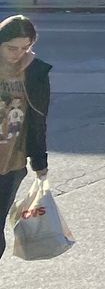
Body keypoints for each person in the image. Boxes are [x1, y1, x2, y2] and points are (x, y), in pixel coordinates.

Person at [1, 14, 52, 258]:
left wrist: (40, 162)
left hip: (11, 165)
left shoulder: (34, 71)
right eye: (12, 48)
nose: (18, 54)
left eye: (25, 48)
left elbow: (37, 119)